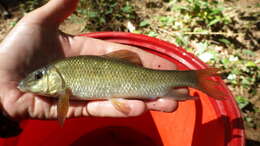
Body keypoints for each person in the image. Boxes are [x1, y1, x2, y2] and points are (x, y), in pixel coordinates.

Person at [0, 0, 189, 137]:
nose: (32, 81)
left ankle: (190, 78)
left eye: (40, 76)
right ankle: (188, 79)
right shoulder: (57, 85)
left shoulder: (62, 86)